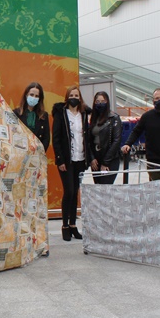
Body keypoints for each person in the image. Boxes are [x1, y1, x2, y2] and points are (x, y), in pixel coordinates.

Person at [52, 85, 90, 242]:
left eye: (77, 95)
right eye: (71, 95)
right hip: (67, 160)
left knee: (75, 192)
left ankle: (74, 225)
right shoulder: (61, 114)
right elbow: (56, 138)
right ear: (67, 97)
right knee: (68, 191)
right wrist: (60, 159)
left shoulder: (84, 114)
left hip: (80, 159)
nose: (74, 97)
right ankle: (65, 226)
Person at [121, 87, 160, 181]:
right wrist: (128, 144)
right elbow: (136, 131)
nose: (159, 100)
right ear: (153, 100)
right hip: (153, 162)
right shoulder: (147, 116)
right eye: (157, 98)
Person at [88, 91, 123, 185]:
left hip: (109, 159)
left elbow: (117, 140)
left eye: (103, 101)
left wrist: (105, 162)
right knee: (98, 187)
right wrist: (92, 158)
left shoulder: (114, 118)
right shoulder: (94, 119)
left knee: (105, 187)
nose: (100, 103)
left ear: (107, 102)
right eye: (97, 101)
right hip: (96, 160)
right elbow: (89, 140)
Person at [14, 82, 50, 151]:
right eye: (31, 95)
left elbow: (46, 138)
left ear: (40, 99)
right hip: (19, 153)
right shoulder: (16, 113)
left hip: (37, 155)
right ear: (26, 95)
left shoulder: (44, 116)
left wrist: (39, 153)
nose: (34, 97)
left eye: (37, 96)